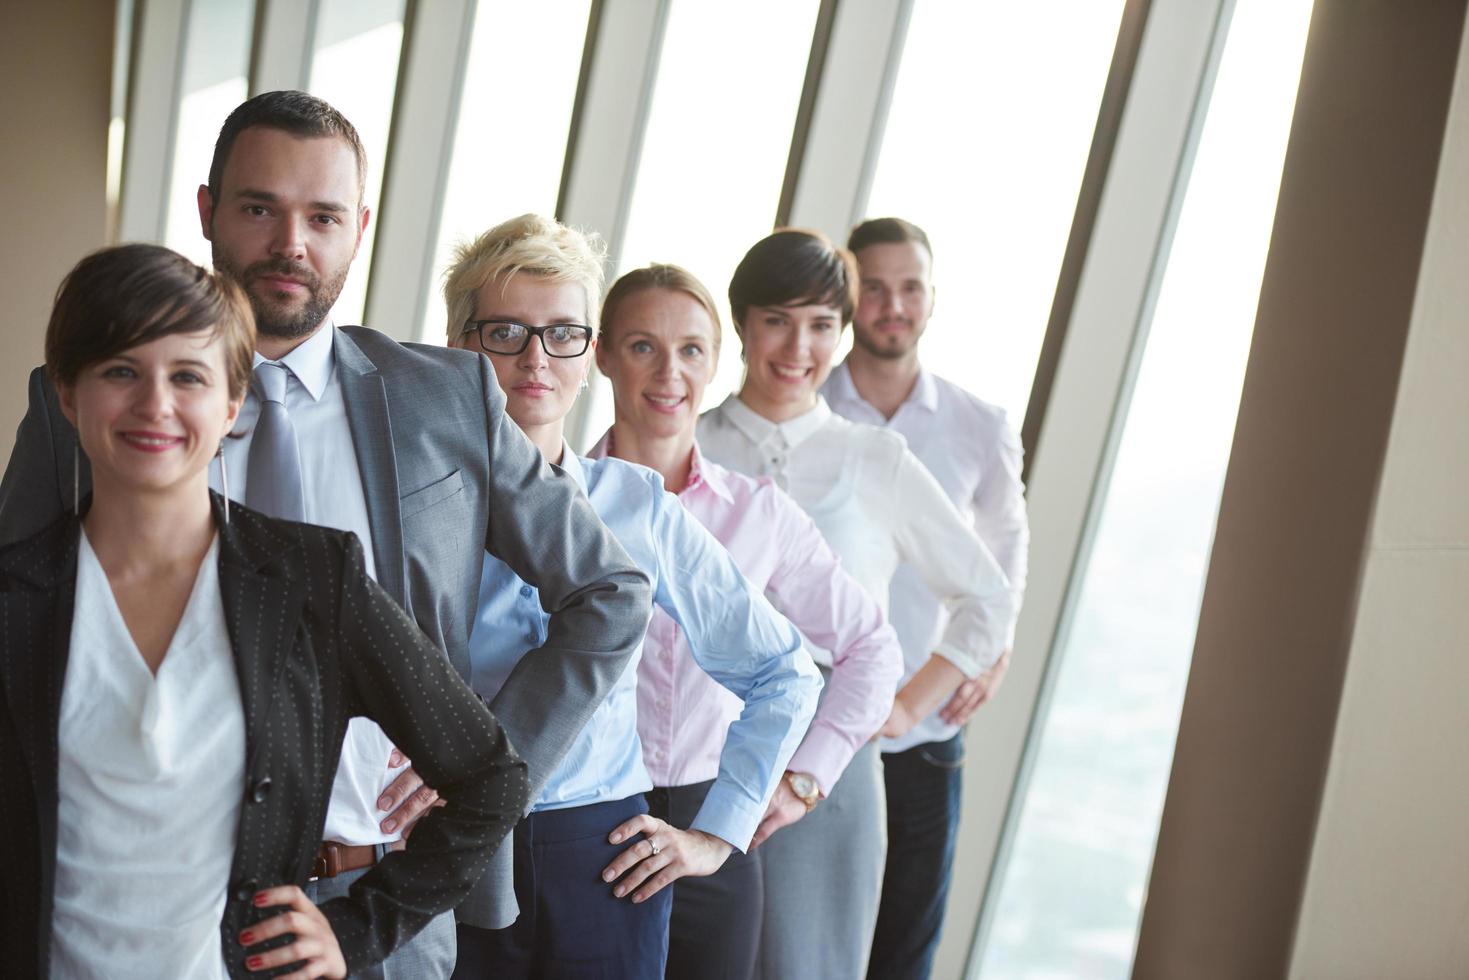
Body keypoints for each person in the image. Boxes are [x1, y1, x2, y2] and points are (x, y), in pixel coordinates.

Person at [0, 91, 652, 978]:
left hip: (380, 895)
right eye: (259, 208)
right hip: (131, 899)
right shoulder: (87, 400)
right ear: (208, 212)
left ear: (362, 227)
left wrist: (482, 747)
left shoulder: (445, 397)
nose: (290, 244)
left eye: (323, 216)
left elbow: (609, 594)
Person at [0, 243, 528, 979]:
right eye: (120, 371)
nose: (154, 404)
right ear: (66, 393)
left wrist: (357, 929)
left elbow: (489, 777)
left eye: (187, 376)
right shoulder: (15, 600)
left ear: (231, 402)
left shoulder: (315, 579)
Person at [438, 215, 821, 979]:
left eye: (563, 334)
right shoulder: (418, 506)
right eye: (505, 332)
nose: (535, 360)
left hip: (604, 854)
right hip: (450, 836)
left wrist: (718, 833)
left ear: (590, 354)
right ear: (460, 347)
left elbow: (784, 671)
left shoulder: (637, 506)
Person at [697, 229, 1017, 980]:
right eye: (776, 319)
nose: (797, 345)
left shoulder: (874, 458)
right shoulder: (693, 444)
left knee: (811, 964)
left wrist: (903, 708)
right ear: (741, 323)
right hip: (698, 744)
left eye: (820, 324)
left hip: (827, 763)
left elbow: (985, 595)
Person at [591, 262, 906, 980]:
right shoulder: (555, 504)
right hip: (583, 821)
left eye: (691, 349)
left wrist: (800, 782)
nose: (669, 372)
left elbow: (871, 649)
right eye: (642, 346)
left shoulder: (758, 514)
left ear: (715, 360)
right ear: (603, 353)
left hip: (713, 830)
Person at [824, 217, 1029, 980]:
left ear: (931, 299)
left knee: (902, 952)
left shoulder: (979, 425)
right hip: (819, 731)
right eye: (872, 288)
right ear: (849, 300)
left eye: (909, 287)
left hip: (925, 727)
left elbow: (1005, 551)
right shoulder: (807, 408)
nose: (892, 305)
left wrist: (992, 651)